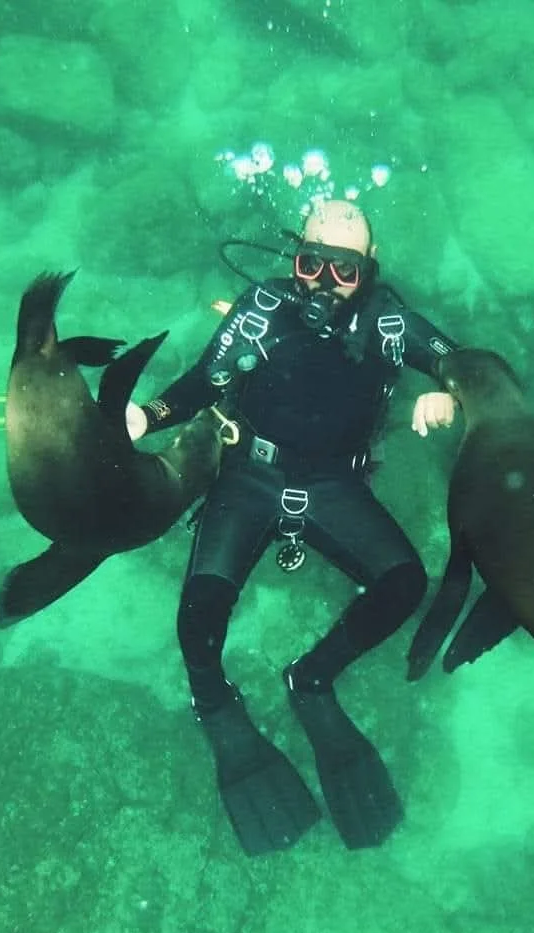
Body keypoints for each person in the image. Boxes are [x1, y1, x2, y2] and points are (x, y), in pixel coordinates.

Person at [125, 198, 460, 855]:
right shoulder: (261, 312)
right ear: (293, 257)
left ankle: (312, 679)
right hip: (250, 477)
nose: (322, 284)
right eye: (311, 264)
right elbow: (201, 381)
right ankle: (216, 707)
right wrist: (148, 415)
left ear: (369, 269)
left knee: (404, 585)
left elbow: (459, 361)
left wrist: (449, 388)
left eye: (343, 271)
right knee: (198, 620)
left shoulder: (388, 320)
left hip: (334, 484)